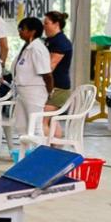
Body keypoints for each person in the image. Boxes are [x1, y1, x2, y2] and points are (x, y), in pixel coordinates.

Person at [12, 17, 53, 136]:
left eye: (22, 29)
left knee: (35, 127)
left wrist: (49, 92)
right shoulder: (27, 47)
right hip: (22, 92)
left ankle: (39, 153)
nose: (19, 31)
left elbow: (47, 74)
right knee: (21, 126)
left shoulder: (37, 49)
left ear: (32, 31)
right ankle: (25, 153)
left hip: (34, 92)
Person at [43, 10, 74, 138]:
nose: (44, 26)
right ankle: (57, 149)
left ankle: (46, 151)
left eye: (46, 23)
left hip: (58, 88)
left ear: (56, 24)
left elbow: (50, 66)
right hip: (53, 86)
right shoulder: (50, 40)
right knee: (52, 120)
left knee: (41, 121)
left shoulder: (61, 42)